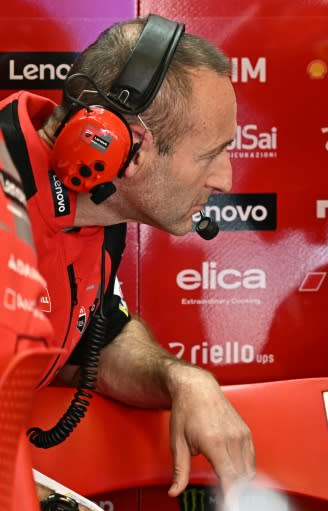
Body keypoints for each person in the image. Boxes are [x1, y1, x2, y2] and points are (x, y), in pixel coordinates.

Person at [0, 14, 255, 503]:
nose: (224, 179)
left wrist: (179, 378)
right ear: (129, 149)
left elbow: (93, 340)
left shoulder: (98, 207)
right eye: (210, 155)